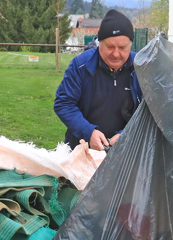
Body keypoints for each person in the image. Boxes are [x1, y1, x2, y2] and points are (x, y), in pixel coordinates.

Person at [53, 9, 143, 151]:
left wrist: (127, 135)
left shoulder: (142, 68)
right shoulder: (80, 65)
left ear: (130, 45)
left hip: (128, 152)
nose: (116, 54)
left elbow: (151, 112)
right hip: (82, 149)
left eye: (122, 47)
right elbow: (64, 103)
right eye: (110, 47)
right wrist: (88, 132)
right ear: (99, 43)